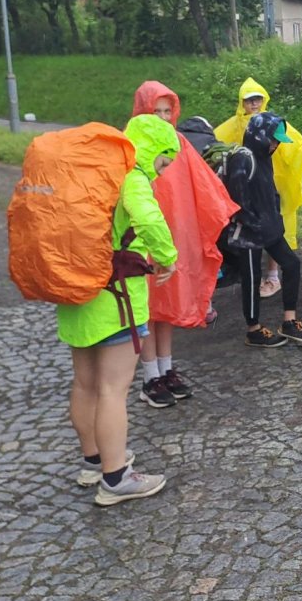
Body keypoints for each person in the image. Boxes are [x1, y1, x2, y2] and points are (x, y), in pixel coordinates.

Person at [60, 114, 178, 506]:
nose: (163, 171)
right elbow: (147, 217)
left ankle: (93, 462)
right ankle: (116, 478)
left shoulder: (92, 171)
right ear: (151, 150)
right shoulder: (131, 175)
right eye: (164, 161)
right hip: (115, 298)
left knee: (85, 384)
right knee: (113, 388)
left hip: (75, 289)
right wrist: (168, 257)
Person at [131, 81, 237, 408]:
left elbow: (203, 185)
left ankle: (166, 368)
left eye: (168, 111)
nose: (163, 117)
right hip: (142, 240)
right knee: (147, 309)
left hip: (172, 237)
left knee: (166, 307)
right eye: (156, 111)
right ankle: (150, 377)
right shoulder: (130, 145)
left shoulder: (177, 143)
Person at [222, 112, 302, 348]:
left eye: (277, 141)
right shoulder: (243, 159)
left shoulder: (264, 157)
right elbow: (236, 201)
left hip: (268, 227)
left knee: (292, 264)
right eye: (272, 139)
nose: (275, 145)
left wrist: (275, 221)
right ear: (259, 136)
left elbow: (271, 192)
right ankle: (253, 330)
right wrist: (255, 223)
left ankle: (289, 321)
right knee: (252, 279)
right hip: (248, 231)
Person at [215, 78, 302, 299]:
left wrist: (288, 172)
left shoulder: (271, 122)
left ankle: (273, 276)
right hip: (246, 186)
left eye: (258, 98)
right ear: (241, 102)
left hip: (273, 184)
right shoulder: (234, 125)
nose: (254, 103)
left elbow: (298, 145)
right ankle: (252, 276)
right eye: (249, 100)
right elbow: (215, 142)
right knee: (248, 227)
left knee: (275, 229)